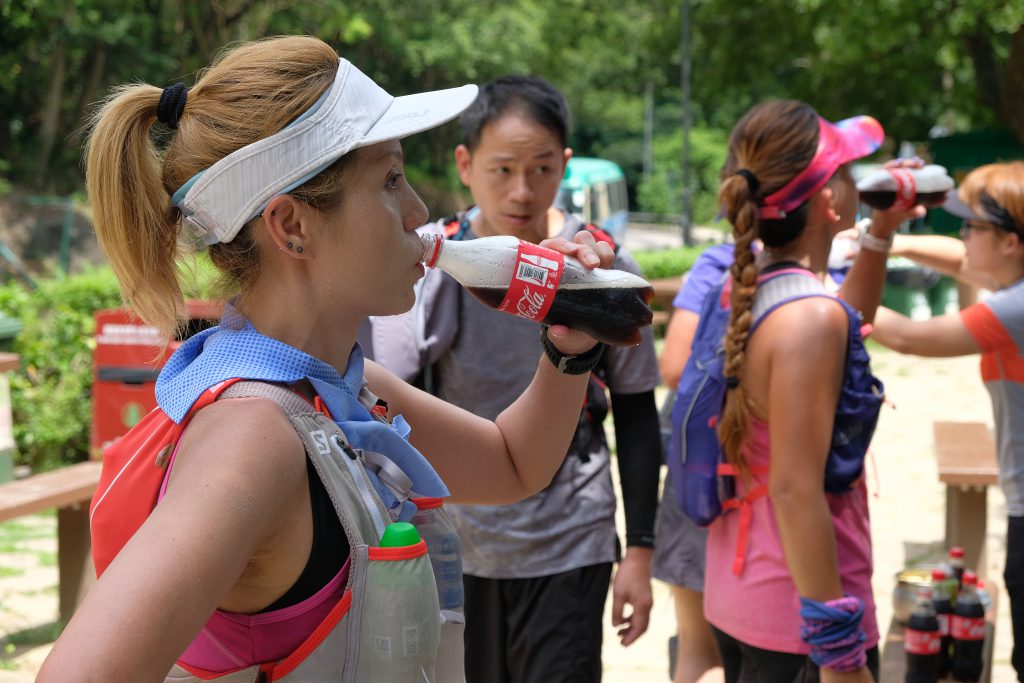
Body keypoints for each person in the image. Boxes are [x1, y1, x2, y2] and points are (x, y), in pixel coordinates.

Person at [37, 36, 618, 682]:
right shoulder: (254, 436)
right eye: (391, 181)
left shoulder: (336, 390)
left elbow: (513, 463)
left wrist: (571, 345)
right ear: (290, 226)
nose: (420, 213)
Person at [365, 75, 662, 683]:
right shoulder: (427, 272)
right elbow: (390, 414)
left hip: (569, 541)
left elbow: (637, 411)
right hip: (455, 548)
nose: (523, 191)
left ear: (565, 166)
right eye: (503, 170)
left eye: (543, 169)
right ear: (466, 164)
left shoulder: (598, 270)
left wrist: (640, 550)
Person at [695, 99, 924, 683]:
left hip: (739, 590)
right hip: (801, 619)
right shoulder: (808, 319)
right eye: (847, 171)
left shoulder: (750, 290)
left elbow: (844, 325)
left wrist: (880, 234)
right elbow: (796, 489)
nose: (855, 182)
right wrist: (841, 655)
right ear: (828, 200)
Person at [868, 161, 1024, 679]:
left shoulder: (1015, 307)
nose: (961, 235)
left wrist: (827, 276)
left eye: (972, 225)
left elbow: (910, 337)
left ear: (1010, 243)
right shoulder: (1013, 280)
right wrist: (891, 242)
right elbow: (963, 259)